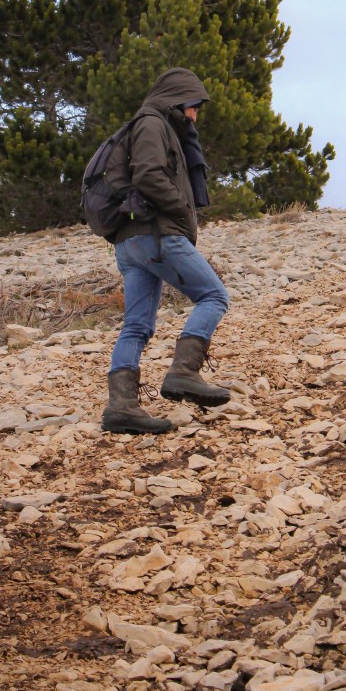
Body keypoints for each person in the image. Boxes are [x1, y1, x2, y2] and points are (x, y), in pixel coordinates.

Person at [101, 67, 230, 435]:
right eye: (192, 106)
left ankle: (122, 405)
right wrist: (180, 210)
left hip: (130, 244)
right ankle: (184, 372)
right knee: (213, 296)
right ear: (175, 100)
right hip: (156, 235)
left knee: (137, 326)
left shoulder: (152, 125)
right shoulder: (153, 124)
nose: (194, 115)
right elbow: (148, 175)